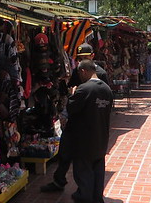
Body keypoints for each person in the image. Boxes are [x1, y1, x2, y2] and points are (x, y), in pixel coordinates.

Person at [41, 43, 106, 193]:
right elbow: (71, 90)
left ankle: (86, 191)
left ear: (92, 56)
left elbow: (104, 98)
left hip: (89, 122)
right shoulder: (78, 71)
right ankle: (59, 180)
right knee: (65, 150)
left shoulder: (100, 74)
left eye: (85, 57)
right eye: (80, 58)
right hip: (74, 117)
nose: (82, 61)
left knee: (86, 158)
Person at [61, 59, 113, 203]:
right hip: (101, 137)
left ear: (83, 71)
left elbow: (71, 108)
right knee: (97, 173)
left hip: (84, 138)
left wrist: (72, 94)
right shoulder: (107, 89)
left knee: (83, 173)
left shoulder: (84, 89)